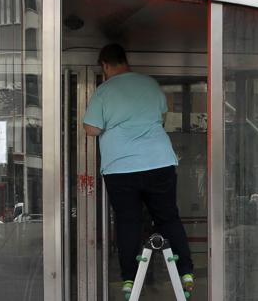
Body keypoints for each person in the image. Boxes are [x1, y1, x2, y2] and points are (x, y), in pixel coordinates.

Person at [83, 44, 194, 294]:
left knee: (128, 222)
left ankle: (129, 278)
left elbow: (91, 129)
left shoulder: (104, 90)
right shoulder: (150, 85)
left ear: (105, 65)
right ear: (125, 60)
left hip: (121, 168)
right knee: (167, 217)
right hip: (159, 163)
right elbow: (162, 116)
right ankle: (186, 270)